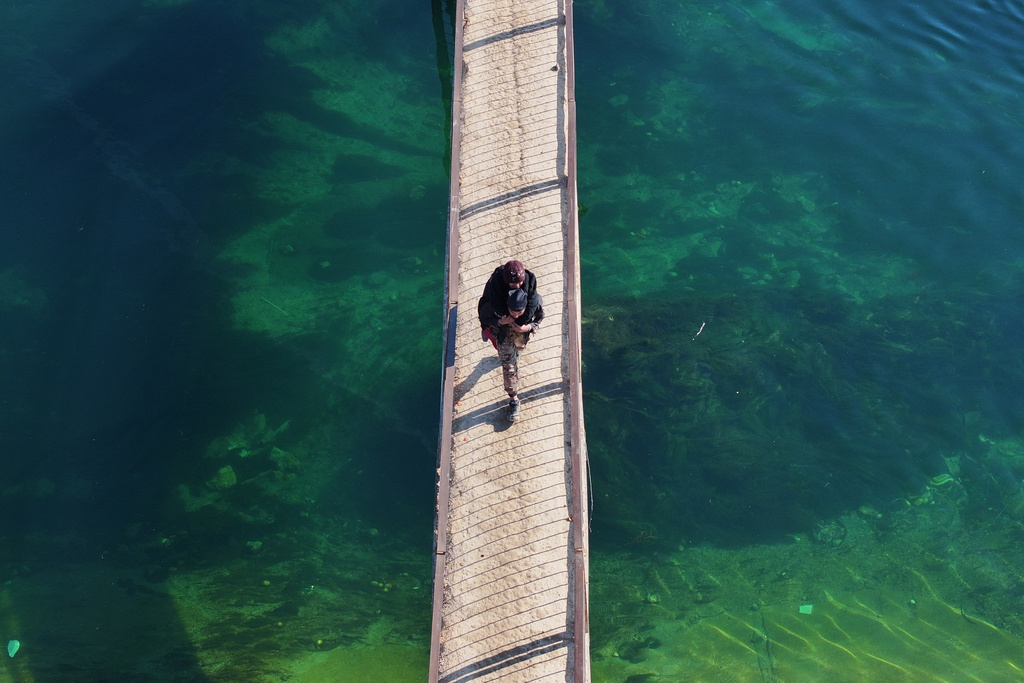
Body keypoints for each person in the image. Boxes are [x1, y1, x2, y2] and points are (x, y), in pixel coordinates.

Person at [477, 260, 544, 422]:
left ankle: (511, 354)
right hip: (502, 328)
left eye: (520, 282)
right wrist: (500, 322)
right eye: (513, 283)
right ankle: (514, 398)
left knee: (518, 351)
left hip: (522, 330)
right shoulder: (494, 300)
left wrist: (527, 327)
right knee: (509, 365)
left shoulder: (533, 299)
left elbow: (540, 317)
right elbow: (483, 315)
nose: (517, 285)